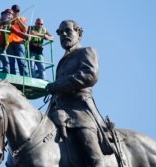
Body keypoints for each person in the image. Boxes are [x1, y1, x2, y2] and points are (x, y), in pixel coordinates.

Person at [45, 20, 113, 167]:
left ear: (78, 33)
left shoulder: (87, 51)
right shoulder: (63, 61)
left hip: (80, 109)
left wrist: (58, 85)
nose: (63, 35)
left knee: (93, 155)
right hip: (59, 110)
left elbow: (90, 75)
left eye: (68, 31)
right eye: (60, 32)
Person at [7, 4, 28, 76]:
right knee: (11, 62)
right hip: (9, 43)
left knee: (21, 62)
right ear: (12, 11)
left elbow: (25, 29)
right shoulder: (8, 18)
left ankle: (25, 77)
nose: (16, 12)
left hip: (19, 43)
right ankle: (12, 76)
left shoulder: (21, 19)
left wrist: (18, 19)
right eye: (15, 11)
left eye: (17, 11)